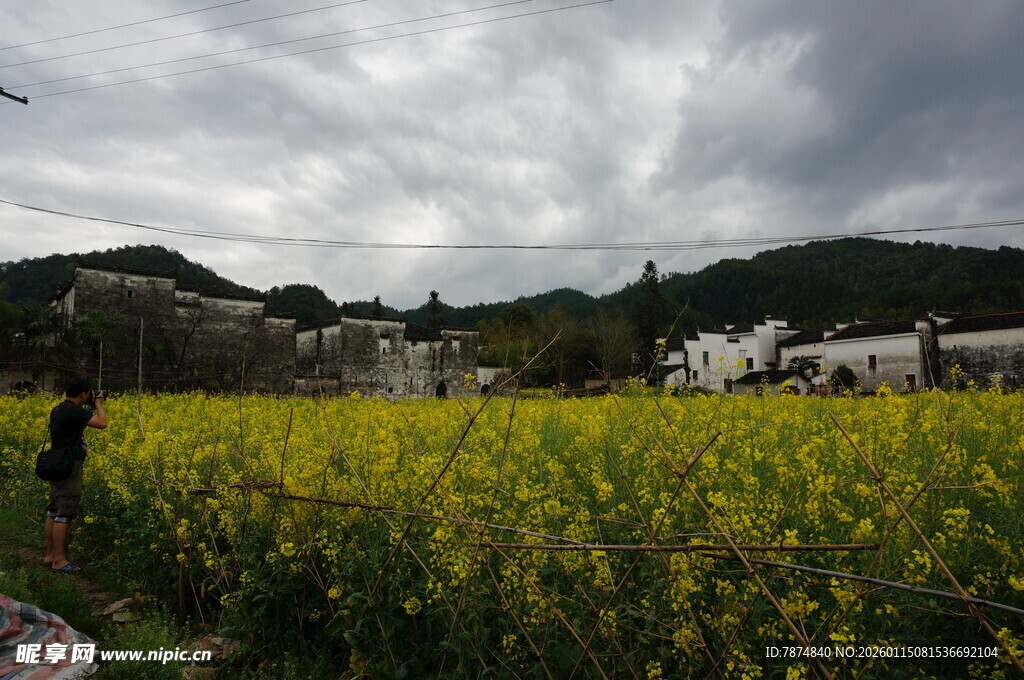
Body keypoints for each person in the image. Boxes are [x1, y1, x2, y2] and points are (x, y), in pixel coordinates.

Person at [45, 378, 107, 574]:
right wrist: (98, 404)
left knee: (53, 510)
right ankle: (59, 560)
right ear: (83, 394)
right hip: (69, 466)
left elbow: (74, 428)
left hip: (56, 464)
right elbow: (102, 423)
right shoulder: (74, 411)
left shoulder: (59, 409)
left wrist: (89, 406)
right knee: (64, 513)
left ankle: (50, 555)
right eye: (88, 393)